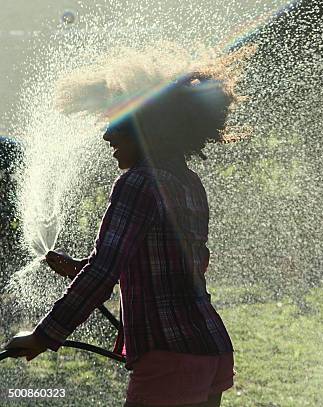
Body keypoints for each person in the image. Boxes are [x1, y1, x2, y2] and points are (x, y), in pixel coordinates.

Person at [3, 73, 239, 407]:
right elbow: (174, 262)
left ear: (148, 131)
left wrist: (43, 336)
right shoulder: (187, 182)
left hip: (170, 356)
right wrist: (81, 268)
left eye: (118, 124)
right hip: (208, 348)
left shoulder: (138, 183)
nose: (107, 135)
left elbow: (104, 271)